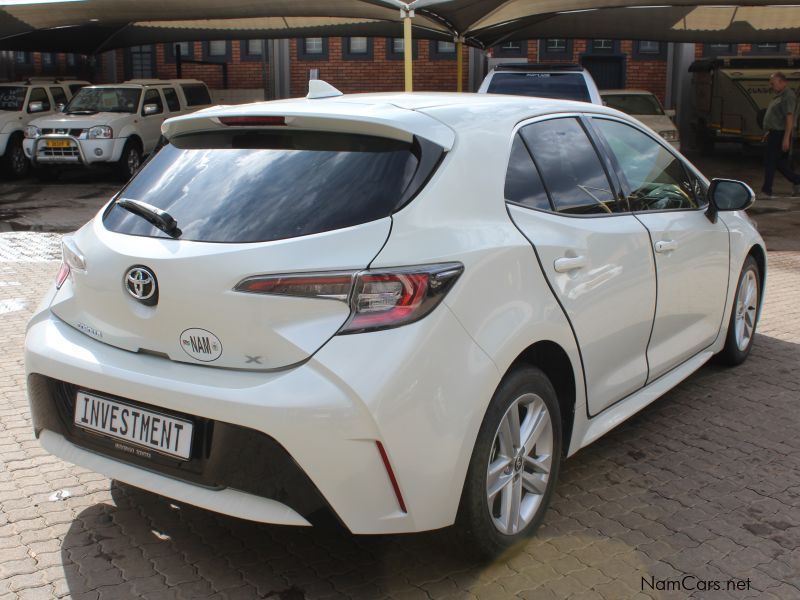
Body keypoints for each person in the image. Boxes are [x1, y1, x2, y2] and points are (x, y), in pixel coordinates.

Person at [761, 71, 800, 198]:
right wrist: (769, 131)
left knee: (770, 161)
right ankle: (797, 180)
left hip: (781, 133)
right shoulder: (779, 95)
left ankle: (767, 190)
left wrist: (786, 138)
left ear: (782, 82)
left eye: (773, 84)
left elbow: (789, 117)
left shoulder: (788, 96)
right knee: (779, 163)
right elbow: (775, 116)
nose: (772, 86)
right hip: (774, 132)